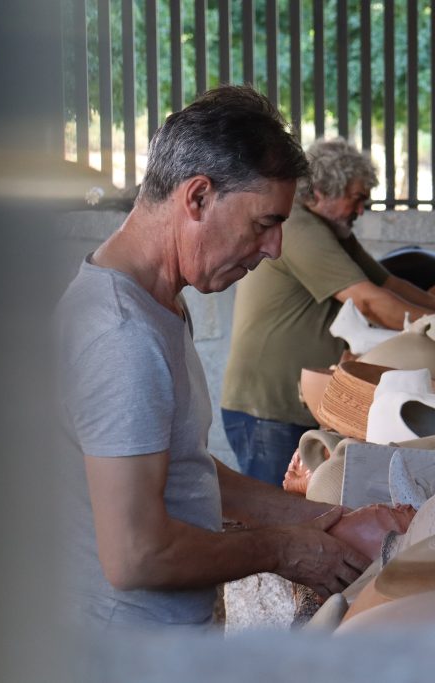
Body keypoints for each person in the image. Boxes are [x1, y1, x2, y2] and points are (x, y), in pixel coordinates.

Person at [56, 86, 371, 629]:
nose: (274, 248)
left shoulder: (159, 301)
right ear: (198, 197)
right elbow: (138, 555)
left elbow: (184, 469)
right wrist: (281, 550)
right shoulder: (122, 335)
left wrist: (318, 520)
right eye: (264, 223)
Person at [220, 138, 435, 484]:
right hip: (268, 413)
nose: (361, 210)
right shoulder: (299, 227)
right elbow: (368, 301)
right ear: (321, 192)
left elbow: (389, 285)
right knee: (280, 515)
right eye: (356, 198)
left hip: (297, 407)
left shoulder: (332, 231)